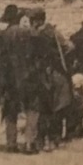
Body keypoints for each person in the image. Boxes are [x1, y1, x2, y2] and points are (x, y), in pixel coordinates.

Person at [0, 8, 36, 153]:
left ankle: (11, 143)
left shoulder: (2, 35)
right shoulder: (28, 33)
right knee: (31, 109)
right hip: (27, 77)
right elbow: (33, 56)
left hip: (9, 78)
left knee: (10, 110)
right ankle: (29, 143)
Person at [29, 9, 72, 151]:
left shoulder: (32, 34)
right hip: (56, 72)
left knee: (43, 108)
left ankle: (41, 139)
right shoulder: (53, 32)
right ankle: (55, 139)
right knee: (58, 107)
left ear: (36, 20)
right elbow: (68, 47)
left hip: (40, 74)